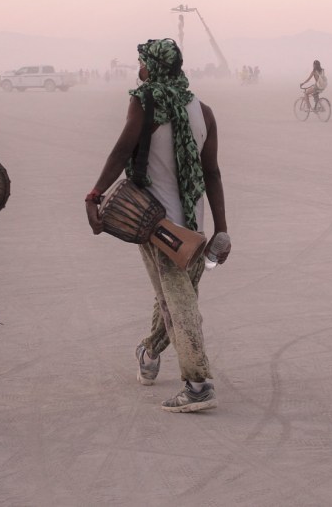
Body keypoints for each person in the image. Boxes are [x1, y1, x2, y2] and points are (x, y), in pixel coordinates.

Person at [86, 38, 230, 413]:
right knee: (174, 297)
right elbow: (212, 173)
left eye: (142, 62)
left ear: (153, 67)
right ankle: (149, 353)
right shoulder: (203, 111)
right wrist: (221, 229)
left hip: (158, 226)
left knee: (179, 304)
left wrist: (95, 194)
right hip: (194, 228)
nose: (139, 69)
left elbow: (122, 149)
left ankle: (198, 385)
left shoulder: (145, 101)